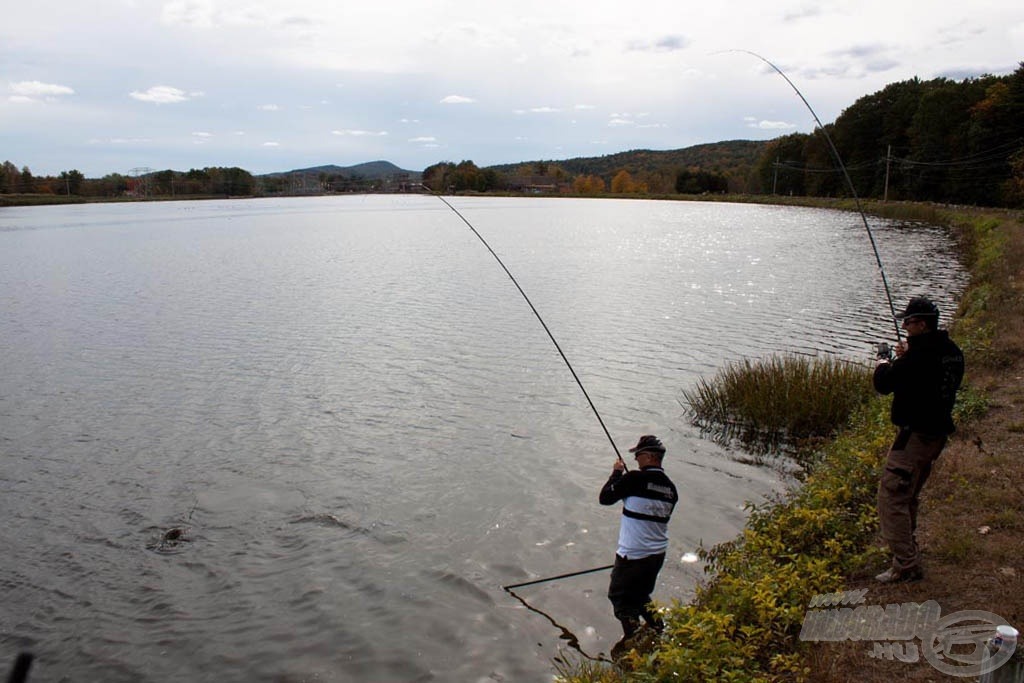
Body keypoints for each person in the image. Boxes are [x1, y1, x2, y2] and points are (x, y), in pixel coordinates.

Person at [873, 296, 964, 583]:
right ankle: (907, 548)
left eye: (909, 322)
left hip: (914, 438)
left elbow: (883, 383)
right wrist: (907, 355)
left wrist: (884, 359)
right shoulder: (951, 352)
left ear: (922, 324)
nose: (905, 326)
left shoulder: (917, 357)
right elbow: (925, 374)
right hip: (935, 437)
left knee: (892, 497)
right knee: (909, 494)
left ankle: (906, 564)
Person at [599, 434, 678, 644]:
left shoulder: (633, 479)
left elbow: (605, 498)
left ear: (651, 456)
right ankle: (657, 629)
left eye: (639, 455)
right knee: (641, 595)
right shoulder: (671, 490)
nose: (635, 460)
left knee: (620, 598)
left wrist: (616, 473)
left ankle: (632, 641)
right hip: (656, 556)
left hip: (633, 555)